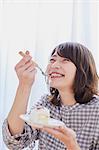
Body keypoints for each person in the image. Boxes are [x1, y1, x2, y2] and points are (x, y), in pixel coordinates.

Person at [2, 42, 99, 150]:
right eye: (52, 60)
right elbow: (14, 142)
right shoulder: (45, 104)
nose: (54, 65)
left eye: (65, 60)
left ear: (83, 69)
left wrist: (71, 145)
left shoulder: (96, 110)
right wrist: (24, 84)